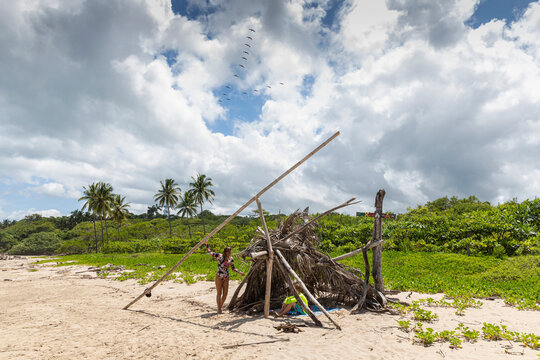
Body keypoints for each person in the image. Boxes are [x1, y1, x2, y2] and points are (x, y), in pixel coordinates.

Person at [205, 240, 245, 313]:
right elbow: (209, 252)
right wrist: (206, 244)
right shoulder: (219, 256)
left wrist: (240, 272)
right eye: (229, 252)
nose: (230, 253)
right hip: (219, 276)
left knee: (225, 294)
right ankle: (219, 309)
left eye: (231, 252)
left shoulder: (231, 259)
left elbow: (233, 268)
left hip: (226, 277)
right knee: (219, 293)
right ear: (225, 252)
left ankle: (220, 306)